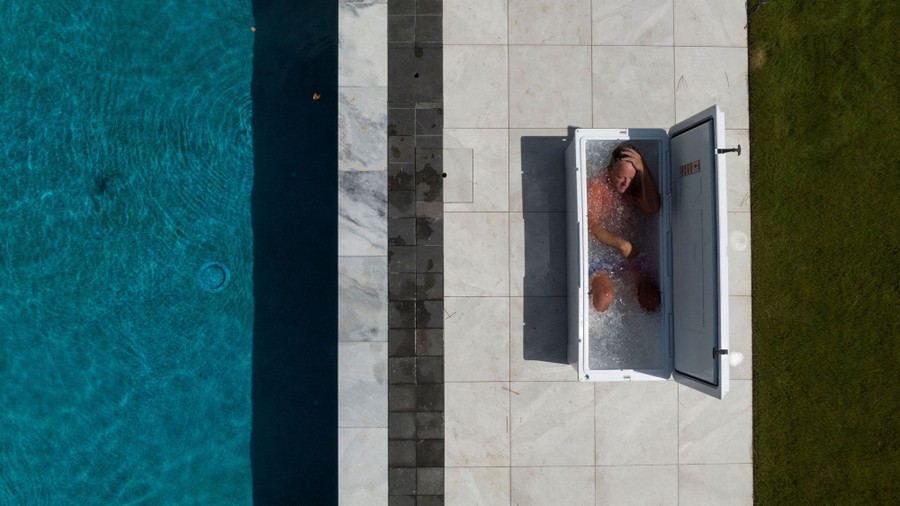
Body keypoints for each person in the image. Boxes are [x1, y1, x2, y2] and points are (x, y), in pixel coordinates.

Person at [586, 144, 661, 313]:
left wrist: (643, 169)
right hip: (599, 255)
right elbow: (589, 224)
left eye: (631, 178)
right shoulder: (597, 187)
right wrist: (622, 244)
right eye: (621, 177)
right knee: (604, 298)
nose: (626, 183)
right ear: (609, 170)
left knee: (651, 300)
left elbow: (653, 207)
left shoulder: (633, 190)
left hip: (627, 257)